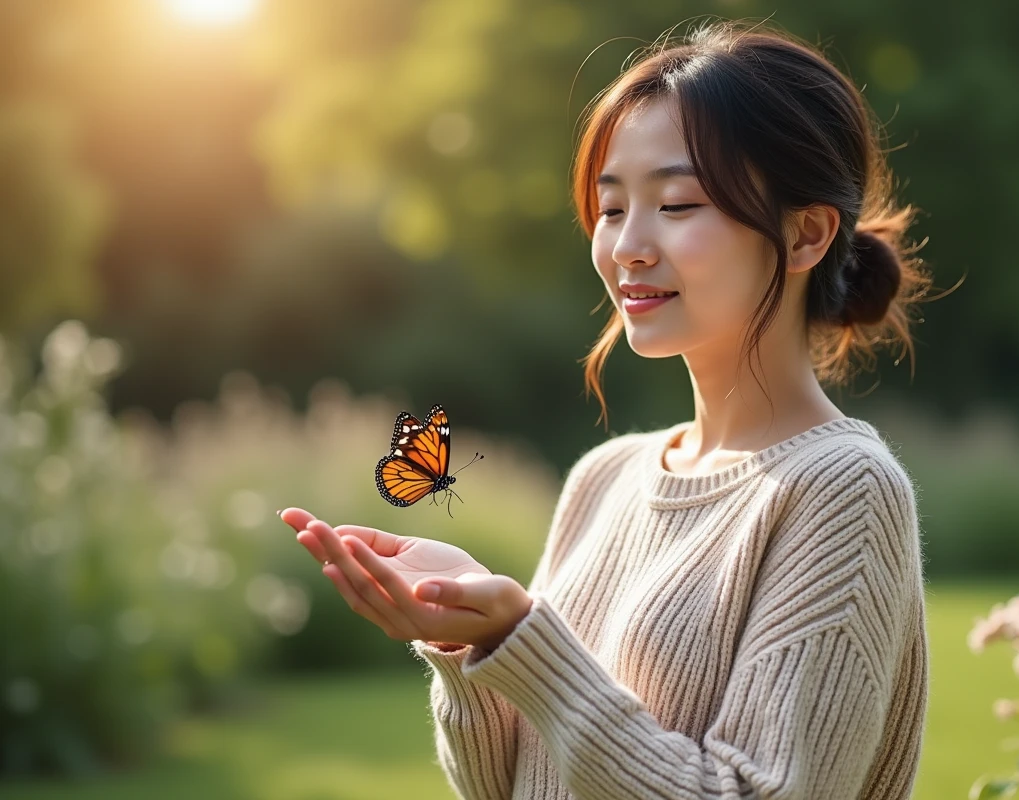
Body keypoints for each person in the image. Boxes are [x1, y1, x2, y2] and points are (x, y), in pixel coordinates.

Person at [282, 17, 934, 800]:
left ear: (806, 235)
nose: (627, 245)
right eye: (613, 206)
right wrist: (470, 647)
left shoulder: (842, 488)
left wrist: (525, 639)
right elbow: (510, 787)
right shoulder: (606, 477)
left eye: (679, 203)